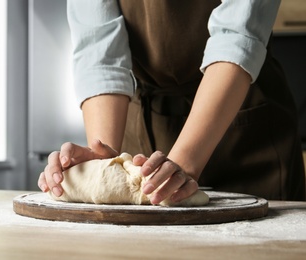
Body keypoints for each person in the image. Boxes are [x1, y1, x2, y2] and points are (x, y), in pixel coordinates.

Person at [38, 0, 306, 203]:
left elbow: (238, 37)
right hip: (140, 125)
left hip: (244, 128)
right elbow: (99, 51)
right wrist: (104, 162)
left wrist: (184, 164)